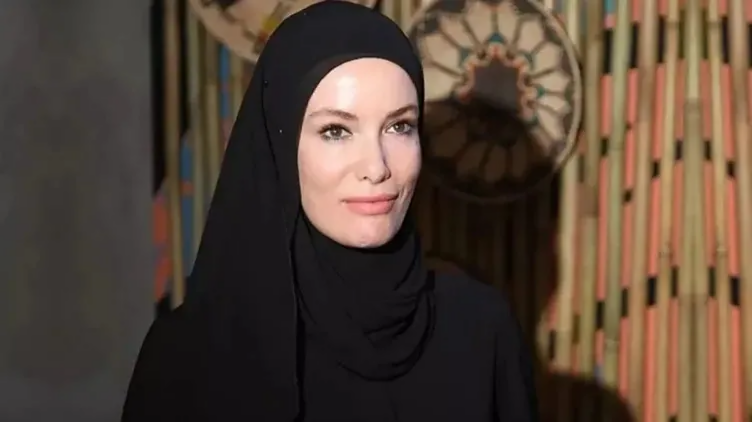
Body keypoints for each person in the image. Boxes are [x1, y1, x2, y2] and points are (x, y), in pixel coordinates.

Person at [121, 1, 538, 421]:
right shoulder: (188, 356)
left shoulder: (482, 331)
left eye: (399, 126)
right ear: (281, 149)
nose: (376, 167)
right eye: (336, 131)